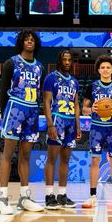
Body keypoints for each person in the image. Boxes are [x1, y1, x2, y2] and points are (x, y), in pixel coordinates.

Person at [0, 29, 44, 215]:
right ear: (21, 42)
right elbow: (3, 91)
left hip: (32, 109)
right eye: (26, 39)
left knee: (26, 155)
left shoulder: (40, 66)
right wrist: (3, 115)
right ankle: (2, 198)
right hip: (15, 108)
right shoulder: (12, 62)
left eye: (32, 39)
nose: (30, 41)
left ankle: (24, 197)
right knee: (8, 153)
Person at [82, 55, 112, 209]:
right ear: (98, 70)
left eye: (108, 67)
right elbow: (84, 109)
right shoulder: (92, 86)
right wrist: (92, 109)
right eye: (102, 67)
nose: (105, 70)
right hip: (96, 128)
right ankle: (92, 196)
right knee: (95, 161)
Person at [43, 50, 81, 209]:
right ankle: (49, 195)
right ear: (60, 61)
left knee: (65, 159)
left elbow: (77, 105)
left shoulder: (74, 81)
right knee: (52, 158)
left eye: (69, 60)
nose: (67, 62)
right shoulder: (51, 77)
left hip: (70, 122)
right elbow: (46, 102)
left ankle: (62, 194)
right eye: (64, 59)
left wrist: (78, 126)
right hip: (57, 119)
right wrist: (50, 124)